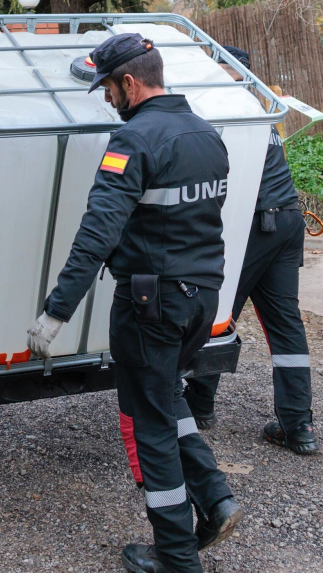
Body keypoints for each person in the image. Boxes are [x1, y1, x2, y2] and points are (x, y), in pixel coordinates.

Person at [26, 34, 242, 573]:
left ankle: (175, 556)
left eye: (107, 89)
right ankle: (215, 499)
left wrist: (56, 311)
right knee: (166, 397)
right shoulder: (206, 134)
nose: (105, 101)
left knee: (150, 427)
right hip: (201, 300)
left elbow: (96, 234)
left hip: (151, 307)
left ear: (129, 82)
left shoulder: (134, 142)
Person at [183, 46, 318, 455]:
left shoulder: (221, 109)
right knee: (285, 325)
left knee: (214, 314)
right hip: (287, 219)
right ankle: (299, 428)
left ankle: (199, 407)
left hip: (253, 226)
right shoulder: (257, 107)